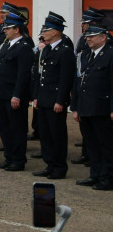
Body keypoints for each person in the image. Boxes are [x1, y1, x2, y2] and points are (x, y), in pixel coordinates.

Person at [31, 12, 75, 180]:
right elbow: (40, 76)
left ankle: (59, 167)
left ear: (56, 31)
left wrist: (60, 100)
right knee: (46, 134)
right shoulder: (48, 49)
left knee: (57, 135)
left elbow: (65, 80)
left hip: (55, 100)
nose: (43, 33)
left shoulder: (65, 51)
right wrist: (36, 96)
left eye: (47, 30)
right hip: (43, 99)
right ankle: (49, 164)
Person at [0, 11, 34, 171]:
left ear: (17, 29)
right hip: (1, 93)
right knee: (5, 128)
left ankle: (18, 159)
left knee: (17, 128)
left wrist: (17, 95)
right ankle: (8, 157)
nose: (5, 30)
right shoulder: (6, 45)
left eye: (8, 28)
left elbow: (23, 75)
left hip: (13, 95)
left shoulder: (24, 48)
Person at [72, 23, 113, 191]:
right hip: (86, 107)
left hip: (102, 107)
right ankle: (95, 175)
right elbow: (78, 82)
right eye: (87, 36)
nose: (88, 39)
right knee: (92, 144)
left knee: (106, 145)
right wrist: (75, 107)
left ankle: (107, 178)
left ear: (103, 37)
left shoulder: (110, 55)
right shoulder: (87, 55)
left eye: (92, 36)